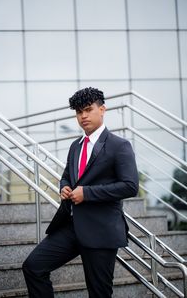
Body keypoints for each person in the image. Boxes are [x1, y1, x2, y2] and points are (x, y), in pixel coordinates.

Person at [22, 87, 139, 298]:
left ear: (102, 109)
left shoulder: (119, 146)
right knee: (33, 266)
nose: (83, 116)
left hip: (101, 231)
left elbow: (130, 186)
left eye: (88, 109)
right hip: (71, 226)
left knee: (99, 293)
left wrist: (88, 193)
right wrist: (64, 187)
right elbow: (67, 176)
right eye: (78, 112)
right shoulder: (75, 146)